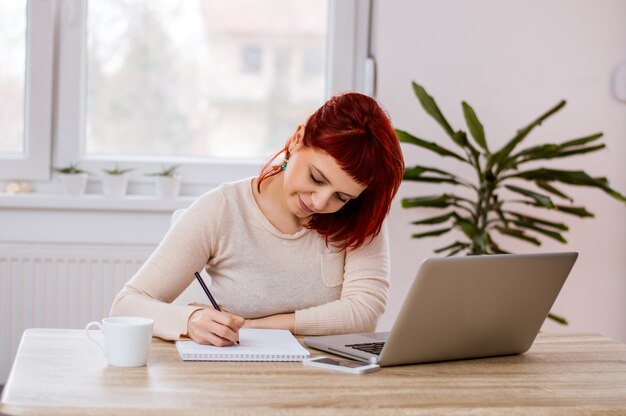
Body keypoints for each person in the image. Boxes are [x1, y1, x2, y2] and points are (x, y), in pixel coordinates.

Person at [110, 92, 405, 346]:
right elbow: (126, 304)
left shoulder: (358, 216)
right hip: (237, 381)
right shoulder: (222, 210)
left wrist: (256, 326)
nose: (320, 201)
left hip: (326, 381)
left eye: (341, 197)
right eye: (316, 178)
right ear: (297, 140)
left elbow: (364, 311)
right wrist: (191, 319)